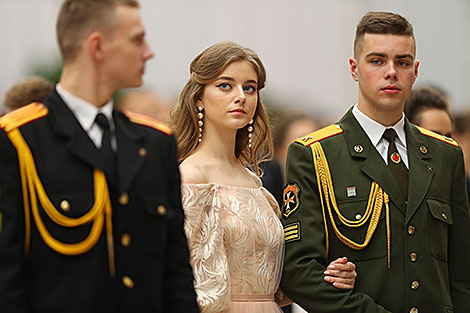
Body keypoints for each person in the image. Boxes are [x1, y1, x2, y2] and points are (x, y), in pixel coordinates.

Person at [0, 1, 198, 312]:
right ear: (98, 45)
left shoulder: (156, 142)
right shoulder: (18, 140)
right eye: (136, 39)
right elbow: (6, 281)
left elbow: (176, 276)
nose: (148, 52)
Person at [281, 11, 470, 313]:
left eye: (403, 62)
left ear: (415, 71)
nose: (392, 72)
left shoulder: (446, 154)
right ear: (354, 69)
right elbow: (298, 271)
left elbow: (461, 273)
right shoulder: (316, 155)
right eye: (377, 61)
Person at [170, 41, 357, 313]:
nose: (241, 96)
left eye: (250, 87)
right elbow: (185, 282)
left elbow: (275, 283)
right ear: (199, 97)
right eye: (225, 85)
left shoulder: (255, 183)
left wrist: (328, 275)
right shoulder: (192, 177)